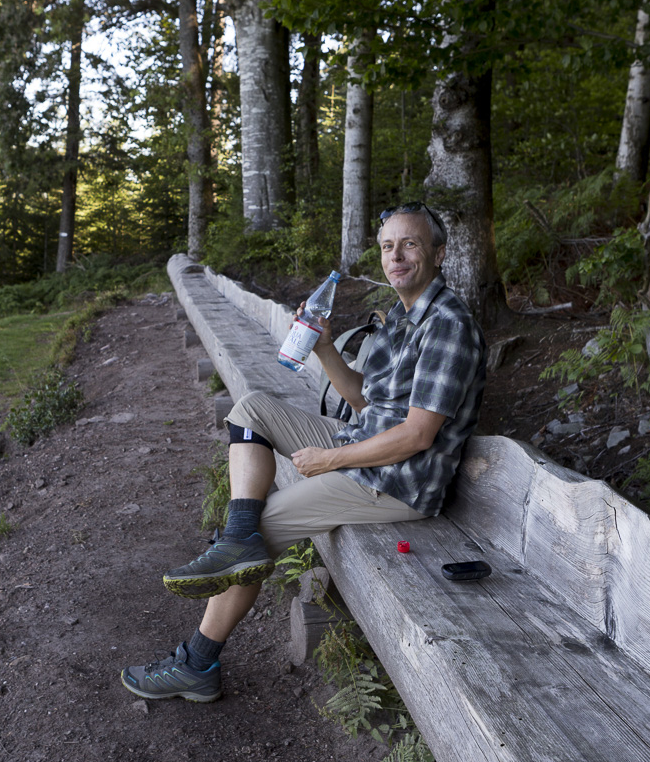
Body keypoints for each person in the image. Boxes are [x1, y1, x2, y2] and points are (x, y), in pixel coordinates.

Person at [121, 202, 486, 702]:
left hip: (398, 480)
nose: (395, 256)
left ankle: (197, 664)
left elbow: (418, 436)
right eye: (386, 246)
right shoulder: (402, 317)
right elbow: (362, 398)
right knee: (251, 409)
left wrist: (329, 459)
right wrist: (323, 347)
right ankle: (238, 533)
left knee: (259, 536)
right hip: (366, 445)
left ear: (438, 253)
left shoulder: (448, 324)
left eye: (410, 244)